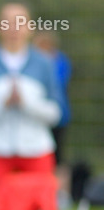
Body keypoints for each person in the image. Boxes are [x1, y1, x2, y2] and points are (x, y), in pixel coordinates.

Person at [0, 1, 62, 200]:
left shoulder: (44, 64)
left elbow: (56, 112)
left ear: (30, 27)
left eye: (20, 22)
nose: (14, 28)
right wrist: (1, 105)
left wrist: (27, 104)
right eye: (7, 22)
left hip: (36, 150)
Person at [33, 30, 71, 167]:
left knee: (57, 155)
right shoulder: (33, 64)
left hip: (58, 118)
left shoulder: (59, 62)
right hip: (36, 116)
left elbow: (55, 87)